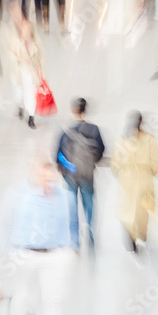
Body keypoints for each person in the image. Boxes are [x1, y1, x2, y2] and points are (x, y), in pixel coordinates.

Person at [0, 158, 75, 315]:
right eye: (41, 174)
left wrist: (71, 248)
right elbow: (4, 222)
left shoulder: (66, 197)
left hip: (55, 255)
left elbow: (73, 222)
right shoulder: (17, 194)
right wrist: (9, 252)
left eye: (49, 175)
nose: (46, 179)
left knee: (54, 300)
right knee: (24, 297)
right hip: (25, 254)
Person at [56, 98, 105, 253]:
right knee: (89, 203)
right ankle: (90, 230)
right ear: (85, 111)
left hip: (69, 176)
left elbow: (57, 155)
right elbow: (100, 151)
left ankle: (75, 242)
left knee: (72, 207)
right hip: (87, 175)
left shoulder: (65, 131)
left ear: (72, 111)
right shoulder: (94, 129)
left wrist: (66, 167)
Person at [111, 111, 158, 253]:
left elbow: (115, 163)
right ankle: (142, 237)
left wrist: (122, 175)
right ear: (141, 122)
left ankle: (131, 240)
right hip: (145, 182)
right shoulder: (150, 140)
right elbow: (156, 163)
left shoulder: (121, 140)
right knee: (143, 213)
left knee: (127, 211)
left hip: (127, 182)